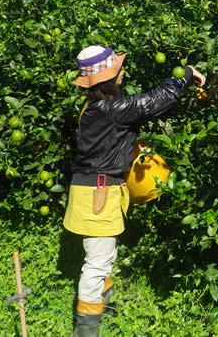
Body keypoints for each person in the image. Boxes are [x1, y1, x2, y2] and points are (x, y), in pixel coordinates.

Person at [63, 45, 205, 337]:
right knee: (97, 263)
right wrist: (186, 74)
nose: (122, 72)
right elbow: (154, 102)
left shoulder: (94, 109)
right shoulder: (109, 110)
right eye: (117, 69)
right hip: (97, 193)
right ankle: (86, 332)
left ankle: (105, 306)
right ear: (108, 77)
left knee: (104, 256)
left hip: (96, 191)